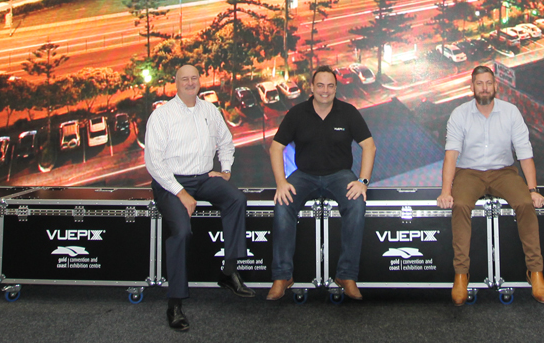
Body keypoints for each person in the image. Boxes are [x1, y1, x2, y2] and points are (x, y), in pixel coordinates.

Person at [145, 64, 255, 331]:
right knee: (181, 232)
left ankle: (228, 272)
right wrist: (181, 193)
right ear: (176, 83)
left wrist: (226, 170)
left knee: (236, 200)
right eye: (185, 79)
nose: (190, 82)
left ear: (199, 81)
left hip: (204, 177)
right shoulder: (162, 115)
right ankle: (175, 303)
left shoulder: (209, 110)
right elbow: (153, 162)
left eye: (194, 78)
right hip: (170, 182)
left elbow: (226, 141)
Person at [437, 65, 544, 306]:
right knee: (460, 205)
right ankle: (461, 275)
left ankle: (536, 272)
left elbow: (524, 152)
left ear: (496, 86)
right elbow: (451, 155)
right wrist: (446, 191)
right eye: (479, 83)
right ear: (472, 87)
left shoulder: (511, 112)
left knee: (525, 203)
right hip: (469, 173)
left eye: (489, 83)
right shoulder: (459, 114)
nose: (485, 88)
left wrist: (533, 189)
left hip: (503, 172)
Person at [267, 66, 376, 301]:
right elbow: (276, 148)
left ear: (335, 88)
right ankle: (282, 276)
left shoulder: (348, 112)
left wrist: (363, 182)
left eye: (330, 86)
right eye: (320, 85)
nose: (325, 90)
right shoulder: (297, 113)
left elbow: (369, 146)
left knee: (357, 203)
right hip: (303, 175)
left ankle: (346, 275)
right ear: (311, 87)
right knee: (282, 204)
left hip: (340, 175)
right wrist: (281, 182)